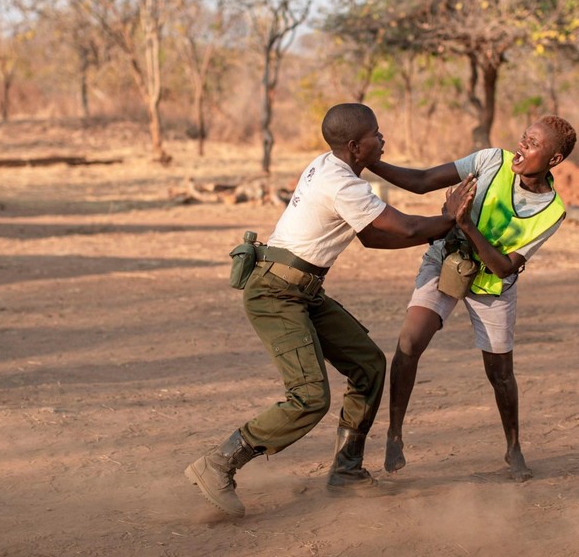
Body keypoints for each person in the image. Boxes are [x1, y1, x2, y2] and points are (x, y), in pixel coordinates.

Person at [185, 103, 469, 517]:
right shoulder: (342, 184)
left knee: (368, 364)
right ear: (355, 146)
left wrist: (440, 224)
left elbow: (373, 238)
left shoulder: (329, 165)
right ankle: (219, 462)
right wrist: (448, 218)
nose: (383, 138)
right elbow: (405, 228)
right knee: (309, 398)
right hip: (276, 293)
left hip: (302, 290)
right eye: (376, 134)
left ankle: (346, 471)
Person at [367, 115, 577, 482]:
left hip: (493, 285)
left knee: (500, 373)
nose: (521, 147)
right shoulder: (490, 161)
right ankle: (394, 433)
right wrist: (370, 162)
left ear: (554, 159)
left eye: (532, 144)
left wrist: (465, 223)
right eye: (523, 138)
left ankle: (513, 448)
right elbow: (421, 182)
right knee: (409, 341)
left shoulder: (551, 210)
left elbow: (503, 268)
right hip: (447, 258)